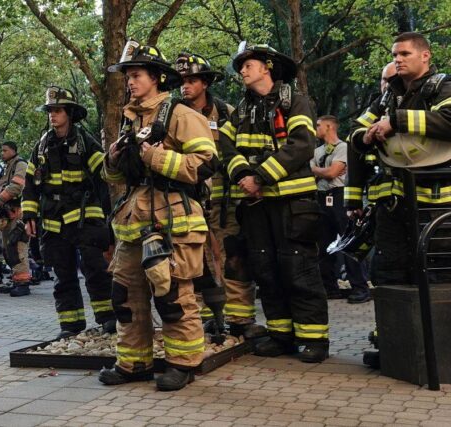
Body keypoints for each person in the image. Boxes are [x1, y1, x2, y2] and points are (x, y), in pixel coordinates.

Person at [98, 44, 215, 390]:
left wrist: (157, 159)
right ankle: (134, 364)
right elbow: (116, 178)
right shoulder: (128, 118)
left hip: (173, 221)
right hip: (134, 221)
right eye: (127, 76)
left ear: (157, 78)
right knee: (126, 295)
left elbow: (206, 166)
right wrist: (114, 159)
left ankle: (184, 364)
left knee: (173, 295)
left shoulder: (181, 115)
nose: (129, 82)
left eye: (135, 75)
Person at [216, 42, 329, 363]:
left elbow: (301, 146)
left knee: (299, 268)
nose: (242, 71)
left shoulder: (296, 101)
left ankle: (315, 339)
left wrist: (259, 177)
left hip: (293, 203)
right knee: (266, 269)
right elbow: (224, 146)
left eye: (247, 65)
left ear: (267, 66)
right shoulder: (241, 109)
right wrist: (243, 177)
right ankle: (281, 335)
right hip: (255, 206)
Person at [346, 34, 451, 367]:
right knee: (389, 273)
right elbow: (354, 135)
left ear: (425, 56)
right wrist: (366, 135)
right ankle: (394, 346)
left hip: (436, 206)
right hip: (392, 206)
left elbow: (449, 121)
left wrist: (397, 121)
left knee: (437, 275)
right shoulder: (387, 96)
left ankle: (441, 350)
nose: (399, 59)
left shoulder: (443, 87)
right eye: (395, 54)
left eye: (405, 53)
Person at [173, 52, 267, 339]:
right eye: (181, 81)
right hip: (188, 201)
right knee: (194, 261)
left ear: (205, 82)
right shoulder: (171, 116)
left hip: (226, 202)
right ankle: (205, 318)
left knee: (233, 256)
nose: (184, 86)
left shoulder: (227, 113)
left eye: (191, 80)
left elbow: (236, 151)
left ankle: (239, 319)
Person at [22, 86, 115, 339]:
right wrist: (29, 216)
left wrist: (109, 220)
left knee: (95, 268)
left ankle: (108, 318)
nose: (53, 115)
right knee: (62, 273)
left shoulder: (86, 142)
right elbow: (29, 184)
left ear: (70, 113)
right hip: (53, 221)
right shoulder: (41, 146)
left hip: (85, 217)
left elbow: (104, 180)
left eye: (58, 110)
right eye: (50, 110)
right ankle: (71, 325)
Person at [311, 115, 370, 303]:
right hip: (322, 198)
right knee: (323, 245)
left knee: (348, 242)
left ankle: (360, 287)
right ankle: (330, 288)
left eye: (319, 125)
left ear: (329, 126)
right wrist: (322, 173)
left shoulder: (344, 148)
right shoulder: (316, 151)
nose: (316, 128)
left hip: (339, 196)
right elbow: (314, 174)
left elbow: (333, 173)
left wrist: (316, 171)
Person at [0, 142, 32, 296]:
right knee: (9, 249)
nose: (2, 153)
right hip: (8, 215)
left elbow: (16, 187)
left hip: (18, 215)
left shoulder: (20, 165)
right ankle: (17, 280)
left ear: (14, 150)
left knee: (18, 248)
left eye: (5, 150)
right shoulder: (7, 168)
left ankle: (23, 283)